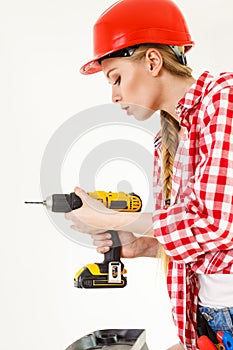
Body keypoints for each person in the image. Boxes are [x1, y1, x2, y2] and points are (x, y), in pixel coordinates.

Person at [65, 0, 233, 349]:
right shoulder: (166, 141)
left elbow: (217, 224)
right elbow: (204, 242)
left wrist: (112, 216)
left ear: (152, 61)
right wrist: (147, 244)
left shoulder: (224, 99)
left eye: (116, 78)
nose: (114, 95)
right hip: (212, 320)